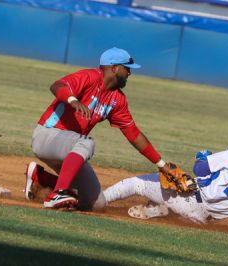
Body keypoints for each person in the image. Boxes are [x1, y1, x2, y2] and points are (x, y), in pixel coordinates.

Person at [24, 47, 173, 210]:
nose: (129, 73)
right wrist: (73, 101)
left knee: (97, 203)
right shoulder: (89, 76)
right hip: (47, 136)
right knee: (87, 143)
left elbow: (134, 135)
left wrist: (161, 165)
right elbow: (57, 85)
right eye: (127, 68)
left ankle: (40, 178)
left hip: (71, 149)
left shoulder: (118, 99)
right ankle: (57, 194)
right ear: (114, 67)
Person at [101, 123, 228, 230]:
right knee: (169, 204)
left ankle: (98, 201)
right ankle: (158, 211)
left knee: (136, 184)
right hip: (202, 219)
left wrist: (203, 158)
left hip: (190, 198)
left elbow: (200, 169)